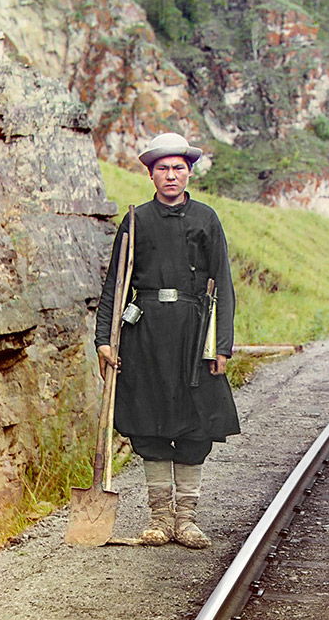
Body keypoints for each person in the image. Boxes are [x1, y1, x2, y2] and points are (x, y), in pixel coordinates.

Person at [95, 132, 239, 549]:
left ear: (188, 171)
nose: (170, 175)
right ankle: (159, 519)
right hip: (145, 334)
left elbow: (224, 285)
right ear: (151, 174)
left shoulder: (206, 219)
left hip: (194, 333)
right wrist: (105, 338)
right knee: (149, 422)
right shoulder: (136, 220)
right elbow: (115, 287)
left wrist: (222, 346)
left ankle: (187, 520)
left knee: (196, 425)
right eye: (162, 169)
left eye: (178, 168)